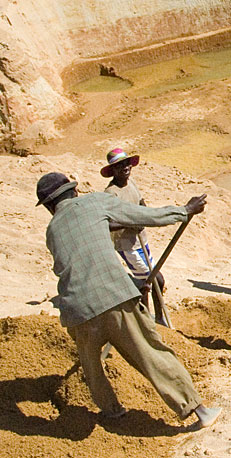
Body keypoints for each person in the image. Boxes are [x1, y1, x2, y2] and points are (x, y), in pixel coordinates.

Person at [37, 172, 221, 427]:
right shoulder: (95, 202)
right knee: (150, 352)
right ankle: (199, 411)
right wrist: (184, 210)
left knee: (91, 366)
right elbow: (146, 216)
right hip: (114, 297)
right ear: (75, 191)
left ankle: (112, 411)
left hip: (76, 310)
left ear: (49, 206)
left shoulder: (52, 229)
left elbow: (73, 261)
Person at [102, 148, 166, 325]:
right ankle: (151, 319)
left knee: (151, 281)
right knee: (151, 280)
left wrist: (146, 215)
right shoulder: (111, 193)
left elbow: (140, 203)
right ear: (112, 171)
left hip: (141, 240)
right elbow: (108, 223)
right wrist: (131, 223)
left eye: (126, 163)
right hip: (126, 245)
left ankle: (153, 317)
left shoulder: (132, 183)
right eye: (119, 166)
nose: (125, 167)